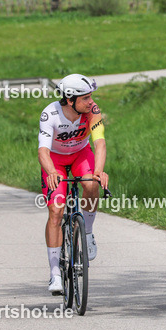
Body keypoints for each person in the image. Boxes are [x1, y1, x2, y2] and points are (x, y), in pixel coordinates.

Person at [39, 73, 109, 294]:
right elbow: (43, 151)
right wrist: (51, 171)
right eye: (85, 98)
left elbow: (99, 144)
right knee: (56, 212)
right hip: (56, 160)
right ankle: (55, 274)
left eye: (91, 96)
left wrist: (98, 171)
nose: (91, 101)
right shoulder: (49, 114)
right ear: (70, 100)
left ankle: (87, 232)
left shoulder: (93, 111)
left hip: (80, 154)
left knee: (91, 184)